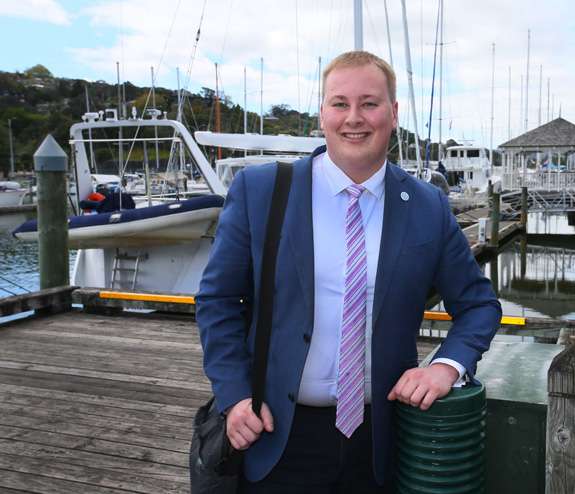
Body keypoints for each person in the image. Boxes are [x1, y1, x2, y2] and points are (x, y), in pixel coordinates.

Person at [196, 50, 501, 493]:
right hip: (275, 431)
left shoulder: (427, 206)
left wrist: (446, 367)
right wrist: (235, 396)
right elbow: (218, 301)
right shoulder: (261, 191)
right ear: (322, 113)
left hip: (380, 441)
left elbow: (478, 306)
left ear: (393, 114)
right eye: (340, 103)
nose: (353, 118)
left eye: (369, 103)